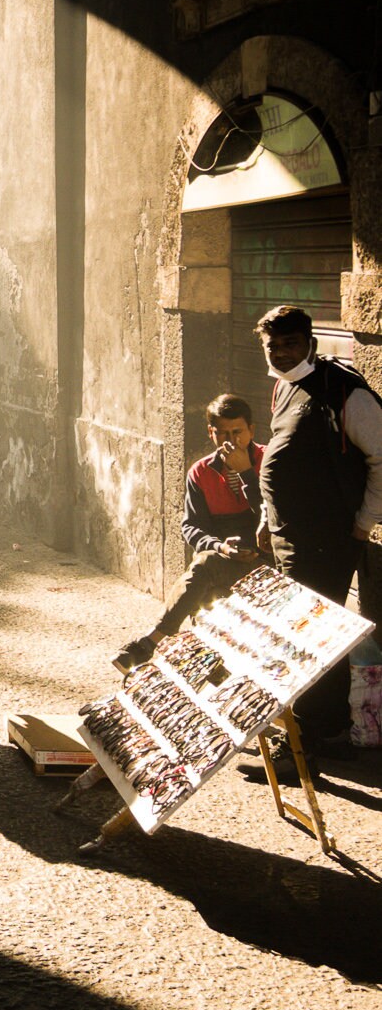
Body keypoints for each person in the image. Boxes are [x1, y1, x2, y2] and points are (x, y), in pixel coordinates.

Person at [246, 304, 382, 775]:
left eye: (291, 344)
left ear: (311, 343)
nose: (282, 354)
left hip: (326, 540)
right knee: (319, 634)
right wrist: (267, 515)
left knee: (304, 639)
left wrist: (364, 523)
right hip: (291, 536)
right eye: (273, 346)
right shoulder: (285, 386)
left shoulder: (345, 392)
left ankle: (302, 747)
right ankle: (331, 733)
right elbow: (282, 453)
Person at [112, 394, 264, 672]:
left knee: (204, 569)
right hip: (225, 560)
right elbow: (192, 526)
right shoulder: (201, 473)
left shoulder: (268, 461)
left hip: (268, 559)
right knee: (205, 572)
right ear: (211, 433)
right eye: (223, 433)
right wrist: (221, 547)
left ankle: (151, 642)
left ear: (251, 431)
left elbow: (275, 515)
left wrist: (246, 473)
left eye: (238, 432)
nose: (231, 441)